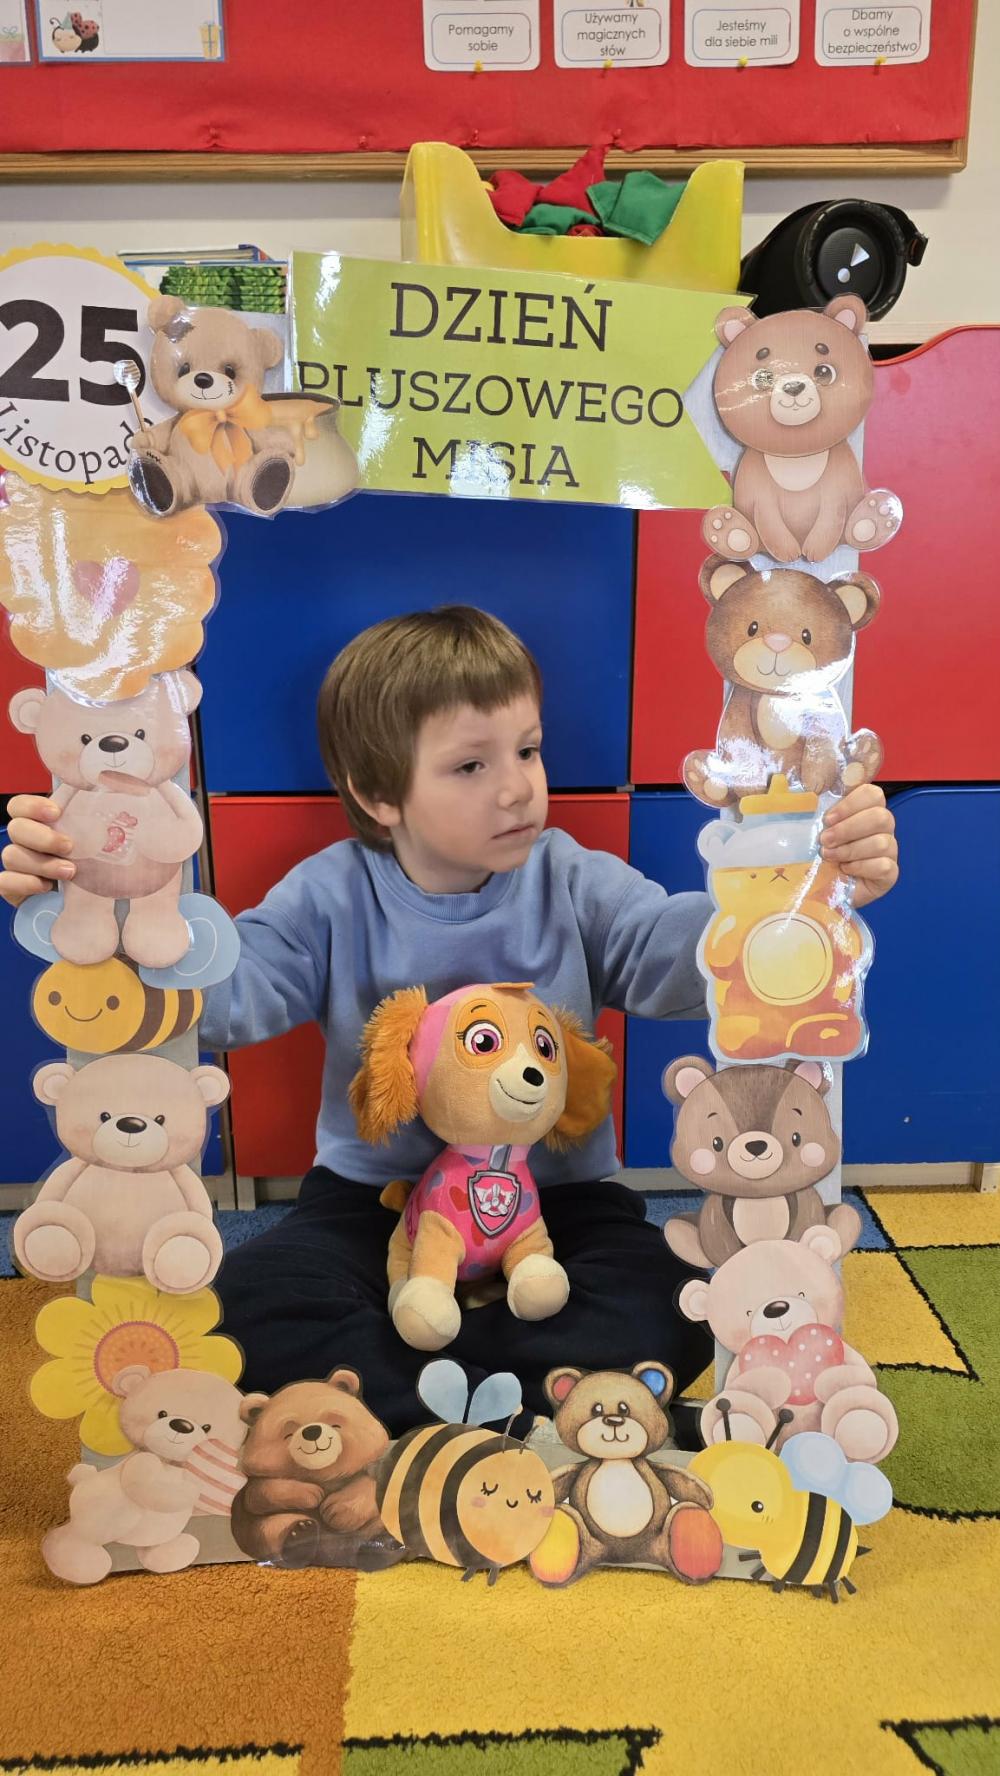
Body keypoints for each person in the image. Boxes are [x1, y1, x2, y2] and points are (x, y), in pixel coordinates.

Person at [0, 606, 899, 1434]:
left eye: (528, 751)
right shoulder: (332, 892)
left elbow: (675, 954)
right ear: (378, 792)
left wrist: (801, 897)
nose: (517, 789)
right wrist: (100, 905)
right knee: (239, 1312)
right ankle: (534, 1406)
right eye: (471, 766)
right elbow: (228, 996)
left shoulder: (570, 877)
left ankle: (433, 1401)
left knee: (688, 1297)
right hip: (374, 1202)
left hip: (557, 1205)